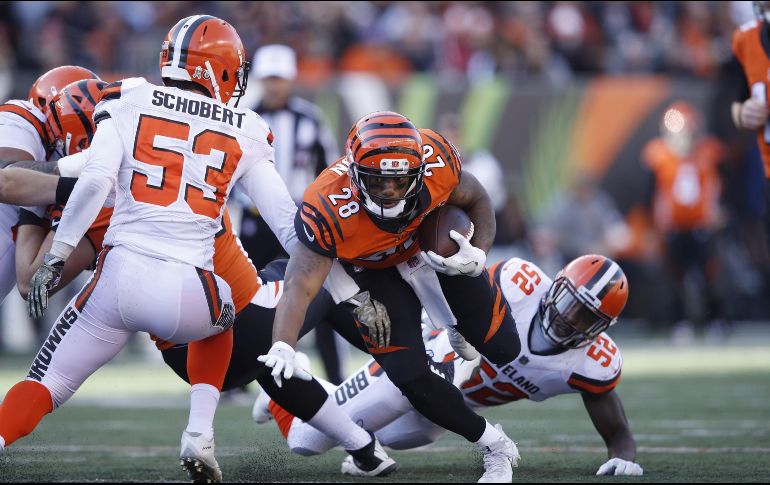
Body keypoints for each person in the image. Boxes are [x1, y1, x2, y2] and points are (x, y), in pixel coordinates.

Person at [0, 75, 397, 481]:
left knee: (46, 382)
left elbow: (24, 190)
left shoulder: (110, 140)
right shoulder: (207, 143)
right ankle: (203, 431)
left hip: (169, 344)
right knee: (259, 296)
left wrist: (47, 213)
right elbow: (296, 237)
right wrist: (356, 295)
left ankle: (362, 447)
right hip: (221, 317)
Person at [0, 15, 283, 484]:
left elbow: (88, 177)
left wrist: (56, 249)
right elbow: (284, 219)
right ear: (217, 69)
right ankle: (198, 432)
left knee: (44, 382)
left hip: (112, 285)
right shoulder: (244, 125)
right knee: (224, 311)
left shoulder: (130, 97)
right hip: (184, 288)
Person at [260, 111, 523, 482]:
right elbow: (300, 284)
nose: (390, 191)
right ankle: (497, 446)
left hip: (433, 251)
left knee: (504, 348)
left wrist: (477, 253)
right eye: (378, 181)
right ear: (353, 175)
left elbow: (478, 198)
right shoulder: (328, 204)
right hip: (373, 271)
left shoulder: (437, 161)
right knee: (411, 377)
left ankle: (452, 328)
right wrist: (284, 344)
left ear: (418, 170)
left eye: (400, 181)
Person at [255, 254, 644, 477]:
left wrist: (622, 456)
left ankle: (315, 389)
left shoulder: (592, 362)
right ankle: (277, 390)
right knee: (306, 442)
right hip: (422, 368)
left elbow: (614, 423)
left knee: (393, 438)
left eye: (583, 317)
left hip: (449, 410)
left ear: (602, 329)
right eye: (568, 303)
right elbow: (461, 296)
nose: (567, 319)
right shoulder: (518, 283)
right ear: (555, 286)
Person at [241, 43, 347, 385]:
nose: (274, 85)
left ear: (291, 80)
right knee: (244, 294)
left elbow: (331, 169)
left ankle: (335, 375)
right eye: (269, 78)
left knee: (319, 291)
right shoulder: (244, 118)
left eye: (280, 78)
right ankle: (239, 375)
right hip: (254, 220)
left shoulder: (310, 119)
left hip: (301, 219)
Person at [642, 101, 724, 339]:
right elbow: (649, 195)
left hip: (703, 226)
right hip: (672, 228)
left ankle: (715, 321)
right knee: (674, 277)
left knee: (708, 274)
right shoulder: (658, 156)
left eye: (688, 131)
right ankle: (679, 322)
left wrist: (722, 210)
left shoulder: (709, 152)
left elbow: (723, 186)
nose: (684, 137)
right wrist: (651, 226)